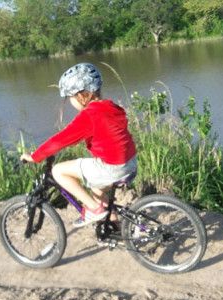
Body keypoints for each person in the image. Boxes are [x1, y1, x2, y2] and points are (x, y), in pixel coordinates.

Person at [20, 62, 137, 227]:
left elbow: (60, 139)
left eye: (70, 98)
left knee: (58, 171)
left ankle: (94, 209)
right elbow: (110, 133)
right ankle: (115, 227)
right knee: (97, 192)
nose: (70, 102)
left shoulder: (90, 115)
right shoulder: (111, 107)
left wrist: (35, 156)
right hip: (130, 162)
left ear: (82, 96)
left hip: (112, 167)